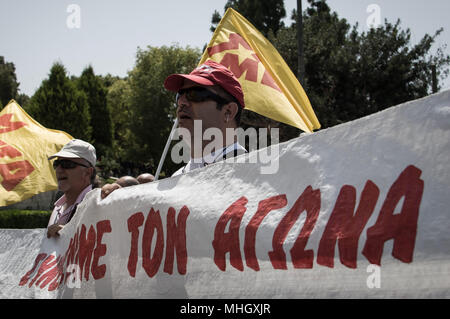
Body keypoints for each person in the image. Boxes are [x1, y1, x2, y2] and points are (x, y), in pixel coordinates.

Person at [100, 60, 246, 199]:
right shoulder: (175, 180)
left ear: (228, 111)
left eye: (195, 94)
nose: (182, 102)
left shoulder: (251, 177)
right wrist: (120, 204)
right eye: (179, 95)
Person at [46, 139, 97, 238]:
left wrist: (71, 237)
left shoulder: (98, 204)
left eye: (67, 164)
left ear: (87, 172)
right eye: (56, 164)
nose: (59, 170)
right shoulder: (57, 208)